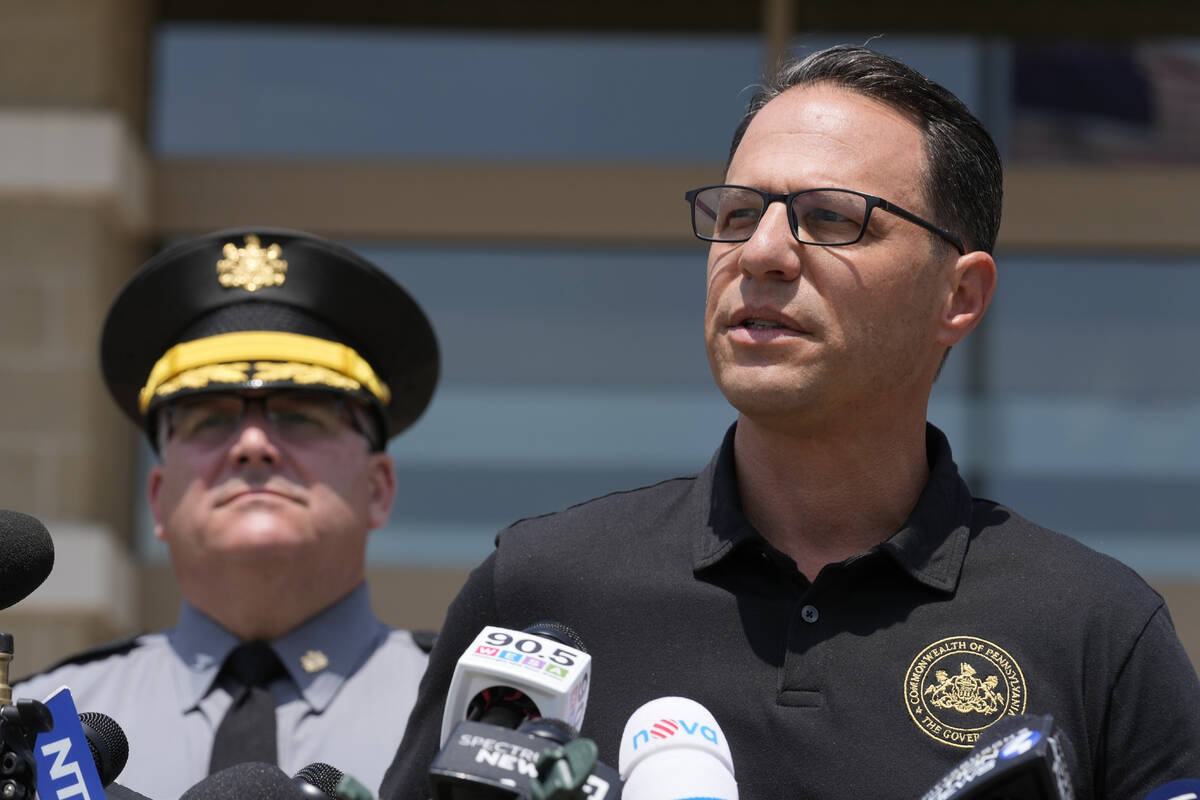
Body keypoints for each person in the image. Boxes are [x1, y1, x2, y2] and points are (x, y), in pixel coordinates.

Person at [379, 45, 1200, 800]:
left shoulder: (1096, 631)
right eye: (737, 214)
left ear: (959, 296)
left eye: (833, 217)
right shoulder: (539, 589)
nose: (762, 251)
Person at [18, 228, 440, 799]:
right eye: (209, 419)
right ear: (157, 499)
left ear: (379, 487)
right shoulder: (36, 732)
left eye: (301, 415)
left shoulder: (466, 720)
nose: (252, 444)